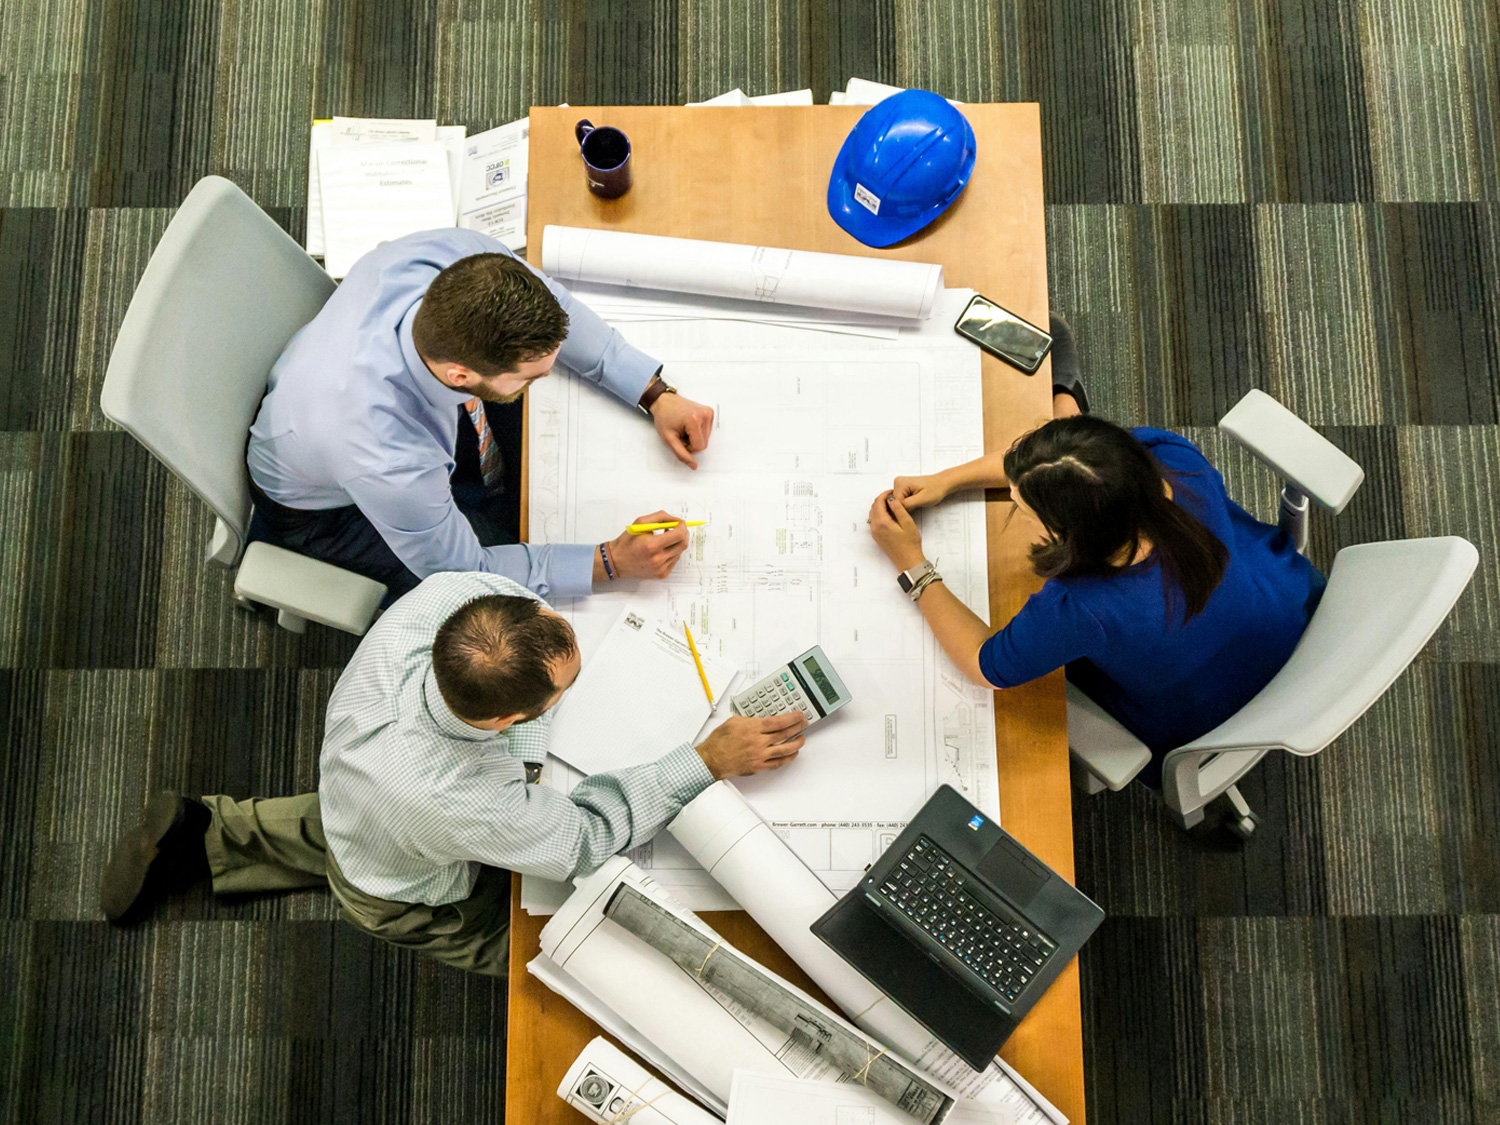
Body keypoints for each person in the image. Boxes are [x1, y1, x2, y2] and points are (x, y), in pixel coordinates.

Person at [100, 572, 807, 977]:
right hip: (403, 884)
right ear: (504, 720)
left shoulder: (452, 601)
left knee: (354, 822)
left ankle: (210, 830)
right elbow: (585, 839)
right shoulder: (460, 799)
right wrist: (705, 759)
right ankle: (553, 963)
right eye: (563, 690)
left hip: (361, 786)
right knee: (543, 946)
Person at [247, 228, 719, 601]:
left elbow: (559, 307)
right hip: (324, 512)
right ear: (460, 375)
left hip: (333, 398)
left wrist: (652, 392)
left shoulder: (457, 256)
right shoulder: (386, 456)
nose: (548, 377)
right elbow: (466, 572)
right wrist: (610, 561)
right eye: (532, 376)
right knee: (498, 612)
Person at [867, 415, 1325, 788]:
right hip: (1287, 607)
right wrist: (947, 481)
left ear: (1071, 536)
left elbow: (985, 665)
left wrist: (912, 564)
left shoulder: (1084, 607)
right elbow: (1061, 467)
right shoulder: (1170, 459)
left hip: (1206, 711)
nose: (1012, 502)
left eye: (1023, 510)